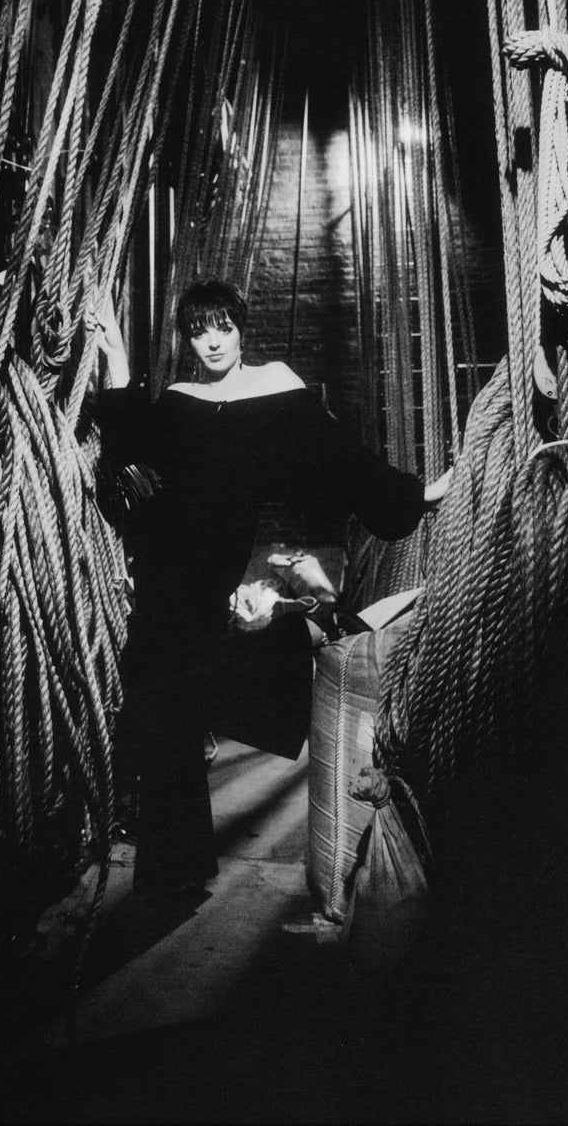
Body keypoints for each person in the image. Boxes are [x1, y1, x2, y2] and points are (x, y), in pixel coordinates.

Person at [86, 279, 450, 898]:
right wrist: (118, 361)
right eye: (198, 332)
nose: (212, 342)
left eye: (223, 328)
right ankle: (175, 871)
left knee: (190, 691)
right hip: (164, 570)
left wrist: (414, 495)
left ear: (240, 329)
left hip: (211, 577)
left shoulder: (275, 386)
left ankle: (177, 866)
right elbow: (127, 457)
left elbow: (339, 455)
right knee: (160, 703)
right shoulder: (178, 400)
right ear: (187, 341)